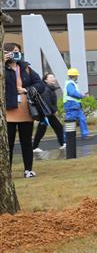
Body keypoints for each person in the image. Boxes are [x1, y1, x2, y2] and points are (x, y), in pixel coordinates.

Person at [5, 43, 43, 178]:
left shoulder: (25, 67)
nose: (16, 54)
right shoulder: (3, 67)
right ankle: (6, 172)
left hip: (26, 111)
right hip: (8, 112)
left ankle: (28, 170)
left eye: (18, 51)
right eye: (13, 51)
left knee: (26, 142)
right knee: (7, 144)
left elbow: (40, 84)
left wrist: (26, 89)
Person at [32, 73, 66, 157]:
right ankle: (34, 147)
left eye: (53, 77)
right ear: (45, 80)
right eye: (51, 77)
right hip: (46, 113)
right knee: (45, 129)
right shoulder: (46, 89)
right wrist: (54, 111)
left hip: (48, 113)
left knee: (56, 127)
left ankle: (62, 143)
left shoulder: (50, 88)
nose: (53, 78)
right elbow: (46, 102)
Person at [63, 67, 90, 138]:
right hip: (71, 105)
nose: (77, 77)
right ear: (75, 76)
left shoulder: (71, 83)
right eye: (77, 75)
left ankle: (85, 134)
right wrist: (81, 95)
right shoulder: (70, 83)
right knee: (70, 122)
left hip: (75, 106)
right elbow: (72, 93)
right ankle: (65, 138)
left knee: (82, 119)